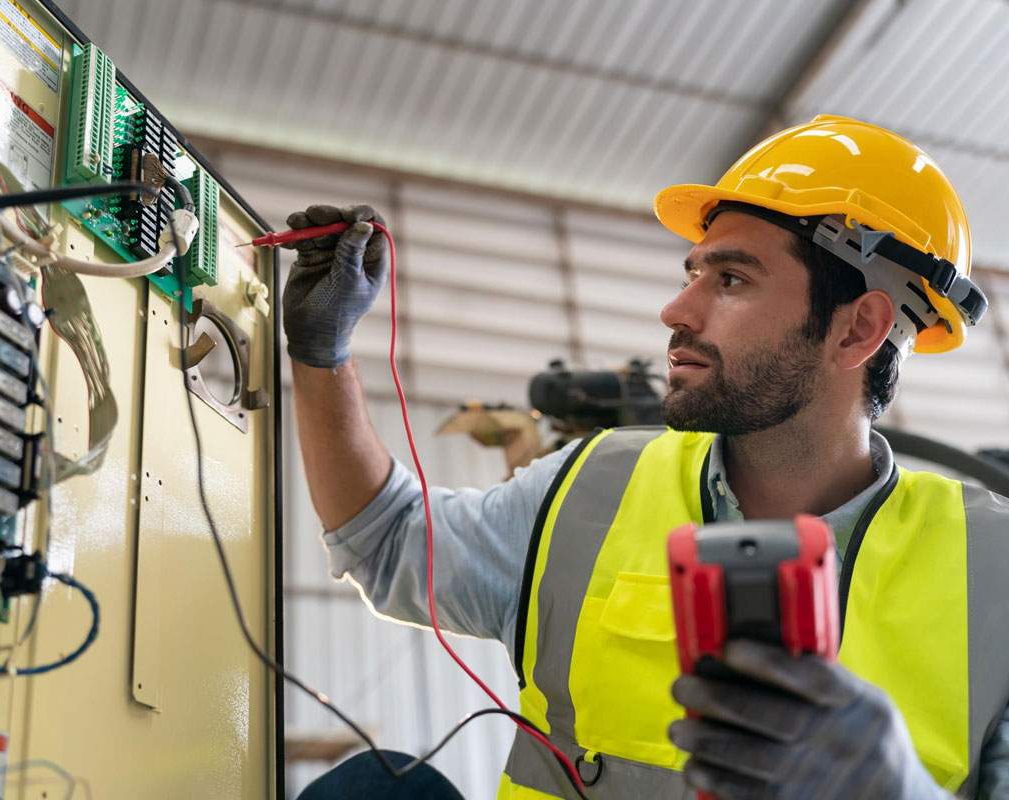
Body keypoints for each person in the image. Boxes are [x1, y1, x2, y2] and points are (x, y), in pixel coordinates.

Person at [283, 115, 1008, 799]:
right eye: (692, 273)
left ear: (857, 333)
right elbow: (387, 540)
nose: (677, 310)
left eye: (730, 279)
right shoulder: (590, 487)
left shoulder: (995, 568)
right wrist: (323, 357)